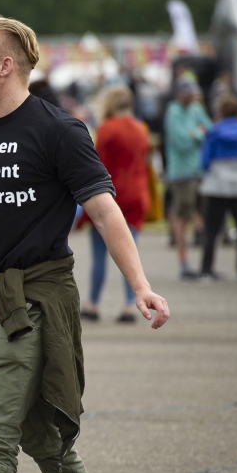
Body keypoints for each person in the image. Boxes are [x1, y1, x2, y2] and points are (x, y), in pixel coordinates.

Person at [0, 16, 170, 473]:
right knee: (41, 435)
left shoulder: (59, 130)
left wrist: (139, 285)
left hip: (38, 299)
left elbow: (104, 211)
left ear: (5, 66)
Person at [79, 85, 150, 323]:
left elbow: (96, 167)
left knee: (99, 255)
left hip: (111, 195)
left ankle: (93, 303)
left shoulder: (107, 129)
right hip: (136, 195)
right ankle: (131, 305)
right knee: (131, 252)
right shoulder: (141, 129)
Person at [198, 94, 237, 283]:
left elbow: (205, 160)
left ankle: (206, 270)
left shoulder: (214, 131)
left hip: (218, 185)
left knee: (212, 230)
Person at [164, 78, 211, 279]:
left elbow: (210, 130)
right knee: (182, 217)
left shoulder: (196, 108)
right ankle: (184, 263)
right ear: (178, 94)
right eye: (187, 93)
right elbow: (182, 141)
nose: (191, 97)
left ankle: (204, 264)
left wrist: (196, 134)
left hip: (200, 169)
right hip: (181, 173)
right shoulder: (173, 111)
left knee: (203, 215)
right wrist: (198, 134)